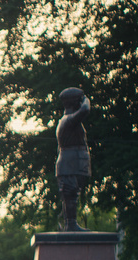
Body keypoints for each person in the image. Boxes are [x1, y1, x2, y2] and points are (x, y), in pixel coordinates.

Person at [55, 87, 91, 232]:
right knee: (70, 195)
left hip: (74, 163)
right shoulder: (68, 120)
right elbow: (85, 110)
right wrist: (86, 101)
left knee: (73, 195)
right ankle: (70, 224)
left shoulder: (70, 121)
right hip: (69, 164)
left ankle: (71, 223)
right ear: (76, 102)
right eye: (80, 99)